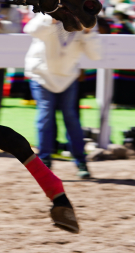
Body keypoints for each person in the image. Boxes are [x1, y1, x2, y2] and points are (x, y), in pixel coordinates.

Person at [24, 14, 101, 178]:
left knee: (71, 118)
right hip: (42, 75)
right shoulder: (49, 12)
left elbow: (95, 54)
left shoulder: (84, 18)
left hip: (68, 77)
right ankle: (44, 161)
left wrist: (88, 32)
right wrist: (52, 19)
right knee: (45, 115)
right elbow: (31, 30)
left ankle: (81, 161)